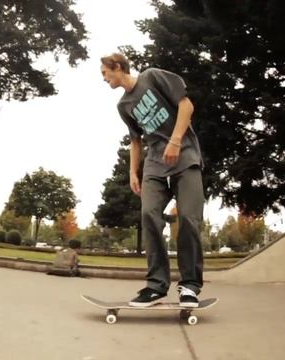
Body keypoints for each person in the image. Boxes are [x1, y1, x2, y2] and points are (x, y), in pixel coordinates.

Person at [101, 53, 203, 308]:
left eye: (105, 73)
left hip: (185, 153)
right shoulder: (123, 106)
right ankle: (157, 285)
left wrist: (176, 140)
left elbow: (186, 105)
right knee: (149, 215)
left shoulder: (152, 77)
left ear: (117, 67)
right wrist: (132, 172)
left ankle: (189, 286)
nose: (104, 79)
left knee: (189, 219)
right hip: (155, 163)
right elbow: (136, 141)